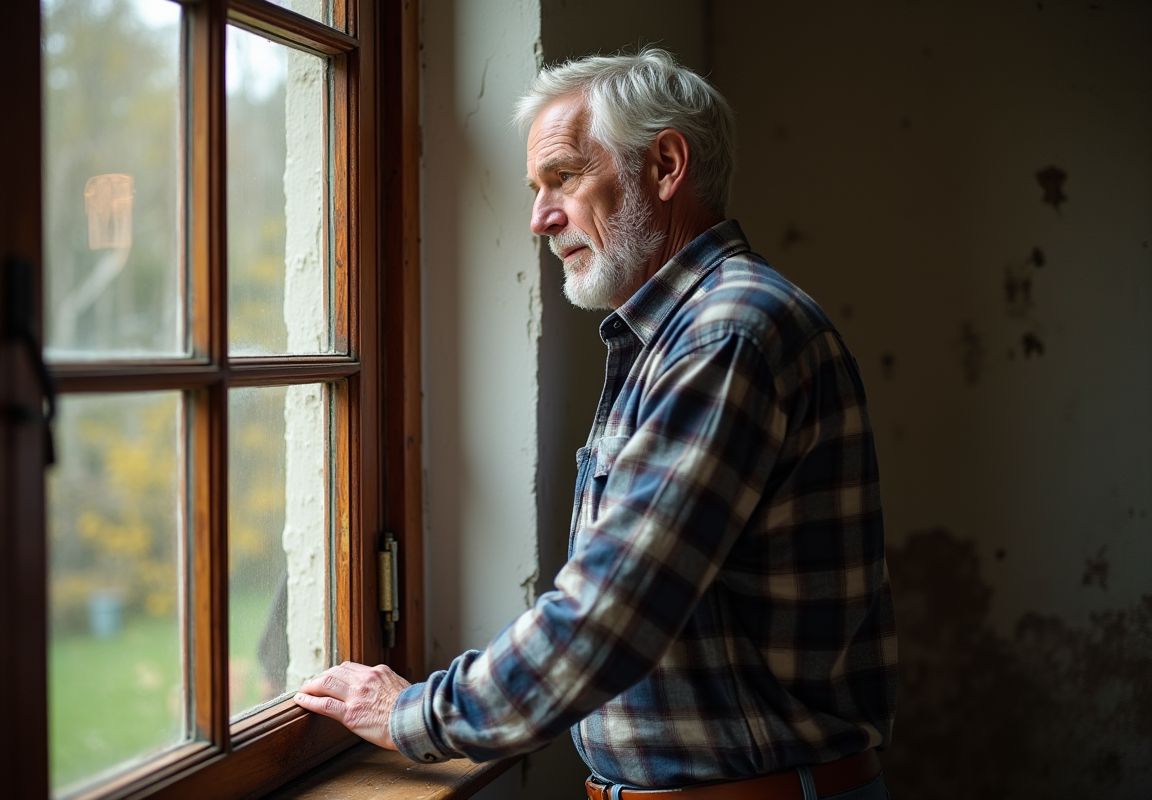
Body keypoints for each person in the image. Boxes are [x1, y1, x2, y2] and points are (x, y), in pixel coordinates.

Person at [294, 49, 897, 800]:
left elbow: (611, 613)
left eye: (564, 177)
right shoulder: (682, 333)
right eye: (537, 188)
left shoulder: (727, 332)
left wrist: (415, 714)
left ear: (665, 165)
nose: (541, 218)